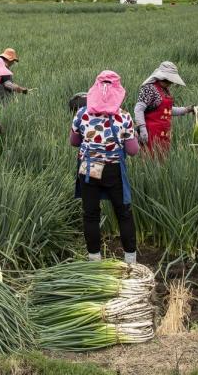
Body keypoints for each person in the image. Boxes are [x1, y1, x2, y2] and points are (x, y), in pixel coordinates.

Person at [70, 70, 140, 264]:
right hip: (112, 170)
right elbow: (133, 151)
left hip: (88, 169)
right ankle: (130, 261)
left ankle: (94, 260)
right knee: (123, 213)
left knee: (90, 214)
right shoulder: (124, 117)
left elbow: (74, 141)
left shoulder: (82, 114)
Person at [132, 61, 197, 153]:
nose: (170, 83)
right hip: (150, 132)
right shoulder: (149, 88)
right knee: (149, 161)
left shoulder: (165, 90)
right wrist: (142, 129)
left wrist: (187, 109)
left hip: (164, 133)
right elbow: (138, 109)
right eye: (168, 80)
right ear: (161, 77)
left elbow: (167, 110)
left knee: (162, 162)